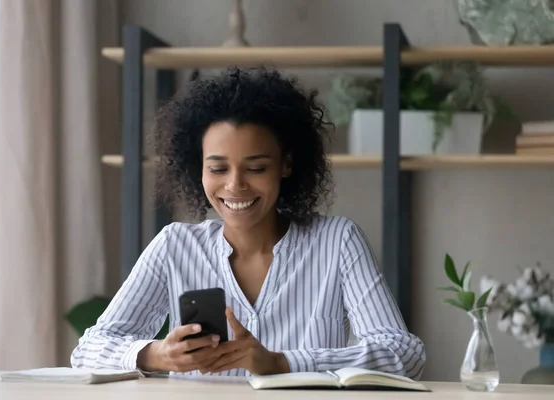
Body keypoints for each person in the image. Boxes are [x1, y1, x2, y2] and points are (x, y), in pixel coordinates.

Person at [70, 67, 426, 378]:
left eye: (256, 168)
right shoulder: (174, 246)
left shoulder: (337, 242)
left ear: (286, 165)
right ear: (198, 168)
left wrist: (282, 363)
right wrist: (155, 355)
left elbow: (405, 354)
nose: (235, 185)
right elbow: (88, 351)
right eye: (218, 168)